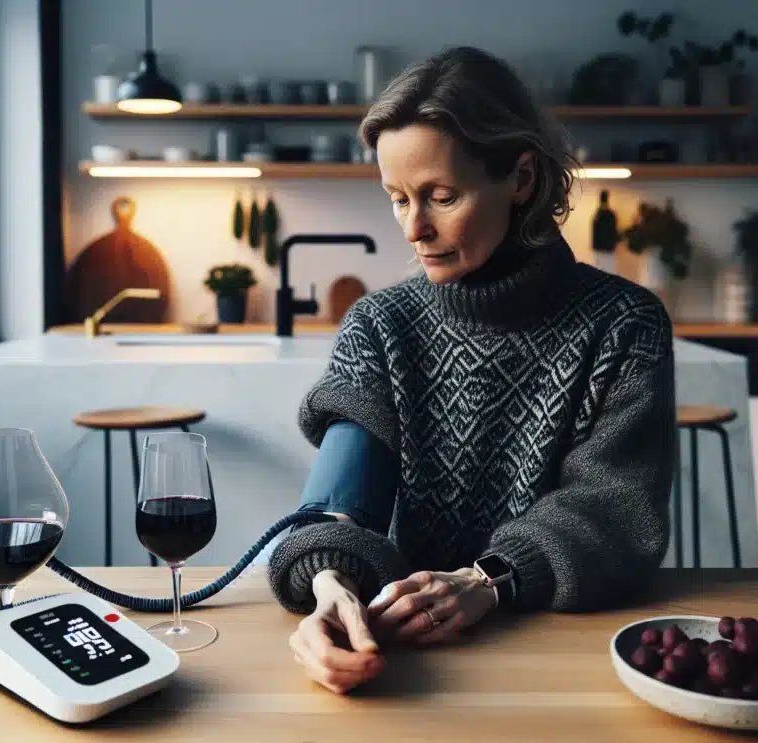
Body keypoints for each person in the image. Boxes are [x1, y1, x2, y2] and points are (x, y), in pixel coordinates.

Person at [267, 45, 677, 694]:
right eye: (397, 198)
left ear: (520, 179)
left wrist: (488, 579)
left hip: (572, 663)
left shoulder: (625, 323)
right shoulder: (379, 325)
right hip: (412, 669)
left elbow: (617, 512)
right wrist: (328, 589)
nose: (413, 228)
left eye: (439, 196)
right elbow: (341, 506)